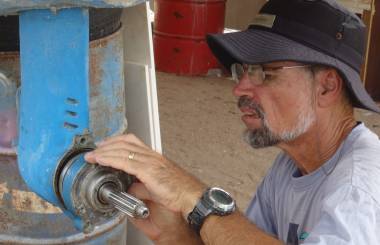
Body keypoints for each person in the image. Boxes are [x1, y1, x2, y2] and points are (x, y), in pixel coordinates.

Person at [85, 0, 380, 244]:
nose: (240, 89)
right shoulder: (292, 165)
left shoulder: (359, 189)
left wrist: (193, 195)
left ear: (326, 87)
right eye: (245, 70)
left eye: (265, 73)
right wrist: (176, 233)